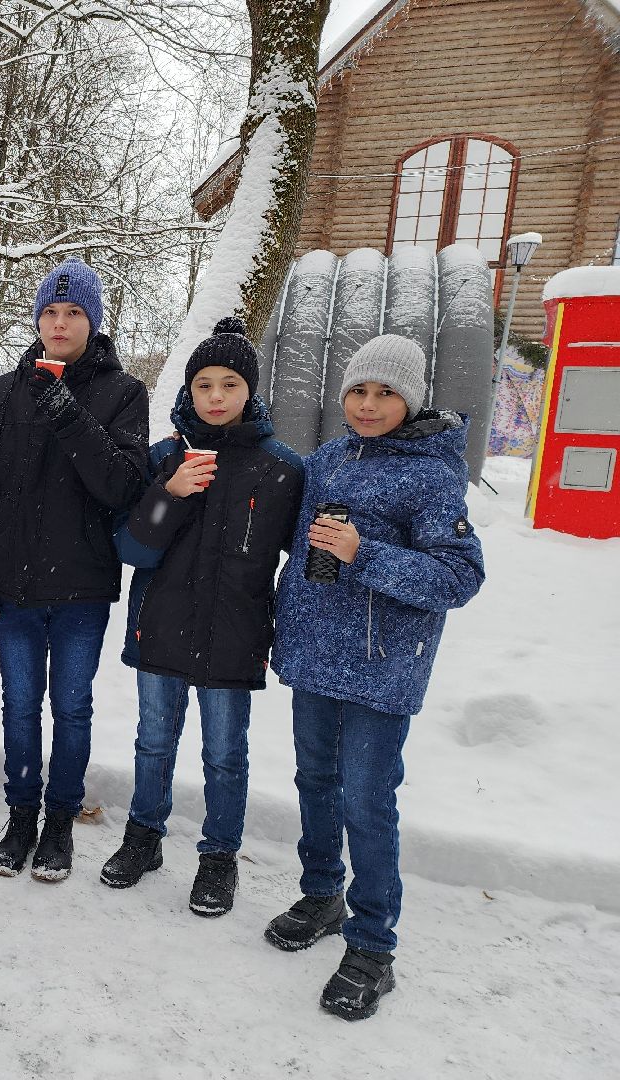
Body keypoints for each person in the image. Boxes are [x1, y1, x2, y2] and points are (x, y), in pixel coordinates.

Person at [265, 335, 484, 1021]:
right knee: (314, 783)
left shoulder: (431, 473)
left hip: (380, 669)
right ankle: (323, 892)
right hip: (314, 658)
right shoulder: (326, 460)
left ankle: (372, 945)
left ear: (410, 398)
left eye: (385, 393)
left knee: (367, 801)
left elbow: (459, 576)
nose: (367, 404)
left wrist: (366, 554)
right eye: (359, 391)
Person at [100, 318, 302, 916]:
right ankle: (144, 839)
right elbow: (132, 550)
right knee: (154, 744)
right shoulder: (164, 456)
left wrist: (279, 630)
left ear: (250, 391)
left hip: (234, 636)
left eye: (229, 384)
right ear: (189, 391)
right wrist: (171, 493)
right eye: (204, 384)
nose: (215, 396)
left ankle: (219, 859)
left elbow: (298, 559)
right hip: (160, 626)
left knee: (224, 754)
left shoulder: (281, 468)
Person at [0, 257, 149, 882]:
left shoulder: (123, 394)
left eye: (72, 313)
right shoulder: (3, 393)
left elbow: (121, 484)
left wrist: (69, 413)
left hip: (81, 590)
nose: (59, 323)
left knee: (71, 707)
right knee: (17, 706)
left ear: (92, 321)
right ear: (36, 319)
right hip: (12, 587)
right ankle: (20, 817)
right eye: (49, 312)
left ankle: (60, 822)